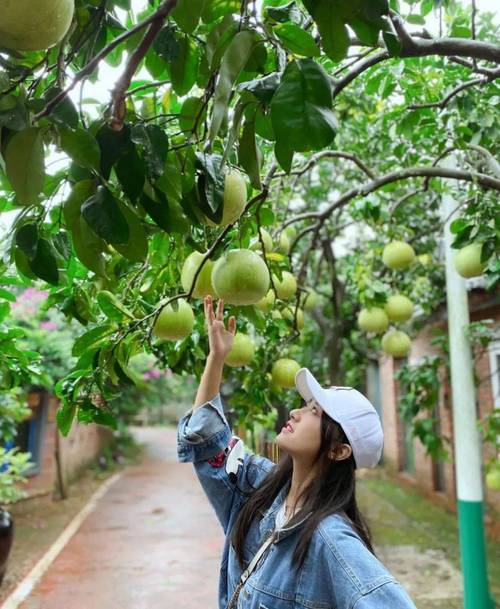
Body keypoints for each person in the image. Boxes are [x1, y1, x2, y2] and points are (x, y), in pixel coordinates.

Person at [177, 295, 417, 609]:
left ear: (339, 450)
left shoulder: (332, 542)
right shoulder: (263, 488)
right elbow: (209, 443)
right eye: (305, 405)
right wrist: (216, 358)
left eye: (314, 412)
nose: (294, 412)